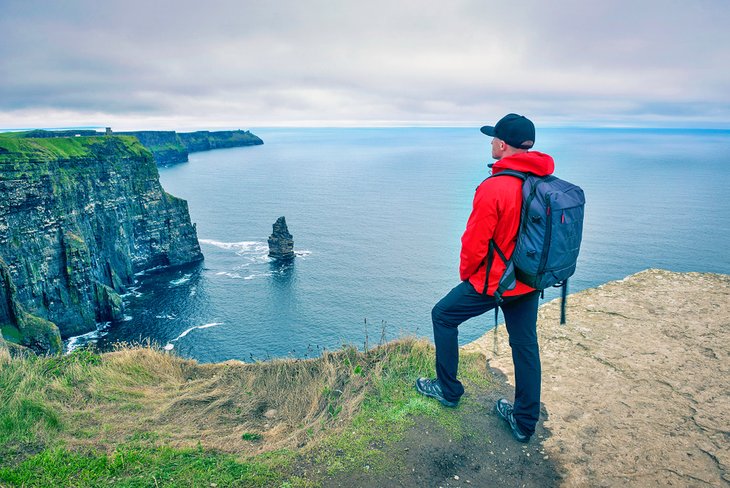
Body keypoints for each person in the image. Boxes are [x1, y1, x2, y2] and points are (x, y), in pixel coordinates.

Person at [415, 113, 554, 443]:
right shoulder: (544, 184)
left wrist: (468, 276)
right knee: (524, 346)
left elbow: (475, 241)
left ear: (503, 145)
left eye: (493, 138)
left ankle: (448, 390)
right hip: (529, 280)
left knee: (443, 315)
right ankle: (523, 422)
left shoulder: (495, 187)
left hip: (494, 282)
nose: (491, 142)